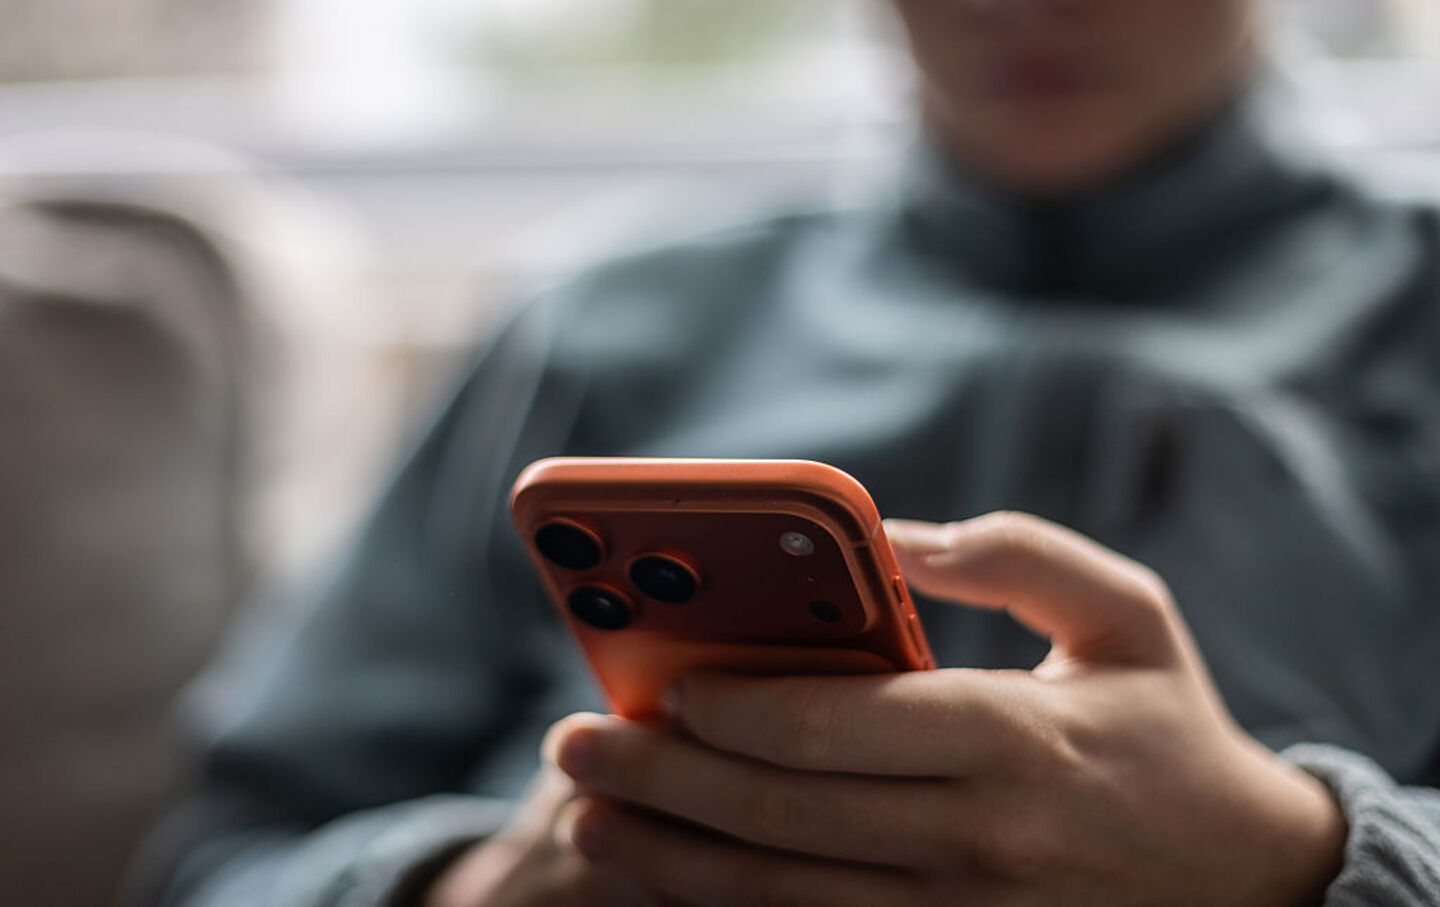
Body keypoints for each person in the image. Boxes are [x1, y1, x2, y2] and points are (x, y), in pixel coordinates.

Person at [136, 1, 1440, 905]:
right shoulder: (603, 318)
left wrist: (1301, 859)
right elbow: (221, 862)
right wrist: (463, 890)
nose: (1024, 7)